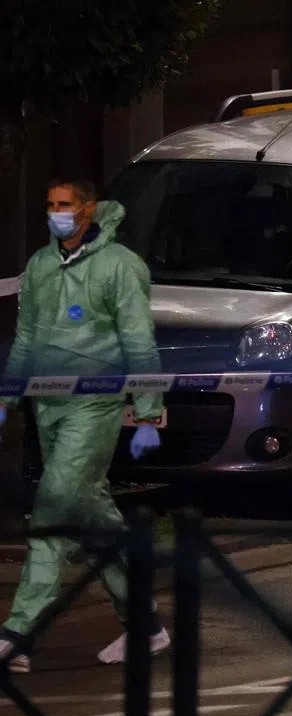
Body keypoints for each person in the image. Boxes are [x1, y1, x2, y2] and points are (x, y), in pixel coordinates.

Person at [0, 179, 168, 673]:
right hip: (48, 407)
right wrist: (7, 397)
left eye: (65, 205)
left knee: (53, 509)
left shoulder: (120, 265)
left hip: (94, 406)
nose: (56, 212)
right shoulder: (40, 264)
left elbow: (138, 338)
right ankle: (145, 626)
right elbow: (26, 337)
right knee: (94, 517)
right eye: (50, 205)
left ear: (88, 209)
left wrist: (148, 411)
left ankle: (18, 634)